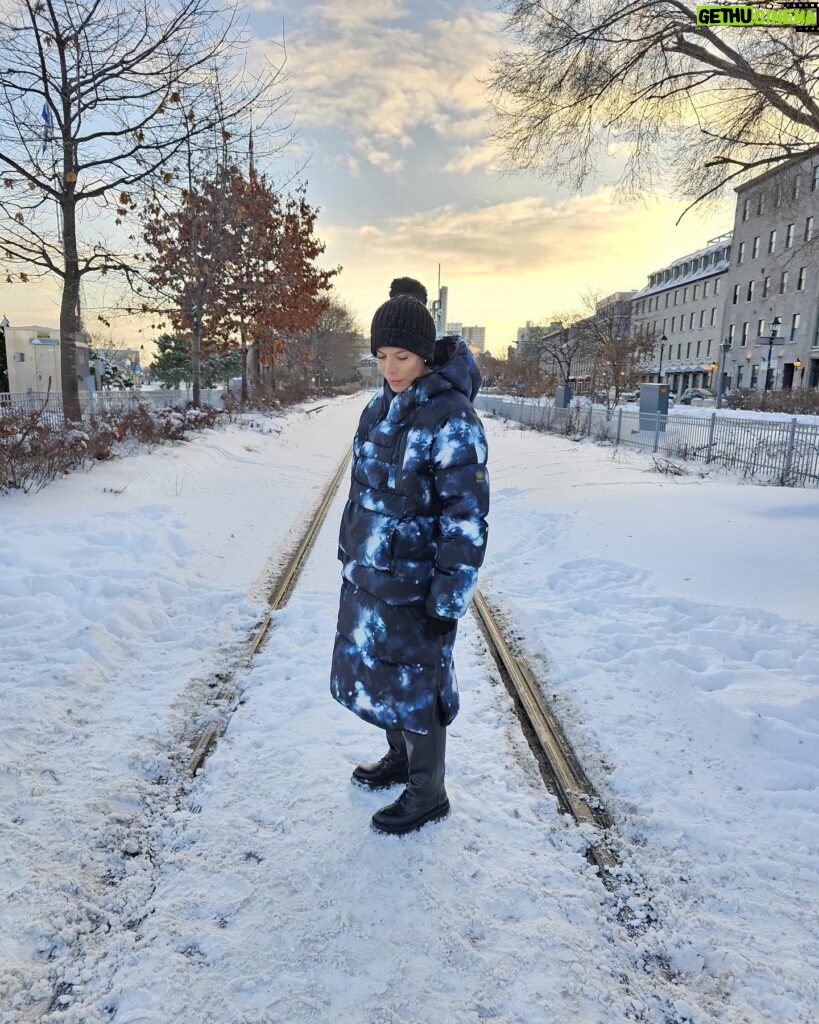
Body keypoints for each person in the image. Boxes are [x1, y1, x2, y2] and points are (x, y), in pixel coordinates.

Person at [330, 277, 490, 835]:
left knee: (418, 683)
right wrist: (353, 550)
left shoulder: (453, 419)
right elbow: (359, 491)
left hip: (419, 583)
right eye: (381, 356)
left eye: (401, 356)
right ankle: (399, 759)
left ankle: (429, 790)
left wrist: (448, 597)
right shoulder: (378, 410)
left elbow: (465, 518)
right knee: (381, 675)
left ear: (425, 353)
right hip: (374, 577)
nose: (391, 368)